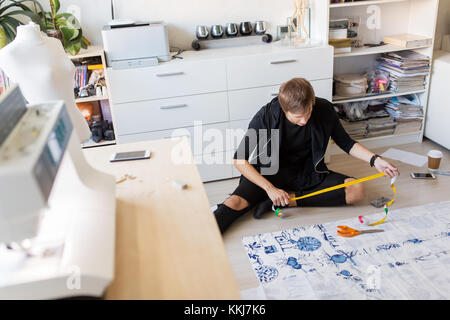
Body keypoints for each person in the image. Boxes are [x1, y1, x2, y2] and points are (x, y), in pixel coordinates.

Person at [213, 78, 399, 233]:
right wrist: (269, 188)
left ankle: (287, 201)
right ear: (284, 110)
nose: (304, 121)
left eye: (307, 113)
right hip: (269, 173)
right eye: (297, 117)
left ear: (312, 102)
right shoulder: (267, 115)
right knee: (234, 202)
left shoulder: (324, 110)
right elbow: (240, 160)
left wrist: (376, 160)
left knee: (356, 190)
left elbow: (346, 143)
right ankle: (207, 235)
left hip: (308, 172)